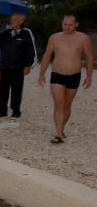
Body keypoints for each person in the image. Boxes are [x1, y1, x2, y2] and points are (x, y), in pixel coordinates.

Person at [38, 14, 94, 143]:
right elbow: (47, 55)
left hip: (74, 75)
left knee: (67, 105)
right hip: (57, 74)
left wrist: (89, 76)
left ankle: (61, 128)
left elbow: (89, 57)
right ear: (62, 23)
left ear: (76, 25)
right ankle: (58, 134)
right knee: (59, 104)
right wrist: (41, 74)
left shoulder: (83, 38)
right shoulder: (54, 37)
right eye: (65, 24)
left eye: (70, 25)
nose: (67, 27)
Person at [0, 13, 36, 118]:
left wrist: (28, 65)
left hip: (18, 67)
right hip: (4, 66)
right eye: (11, 19)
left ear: (21, 21)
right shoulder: (6, 33)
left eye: (15, 19)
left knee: (16, 90)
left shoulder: (26, 33)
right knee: (2, 89)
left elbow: (31, 50)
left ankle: (16, 110)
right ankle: (1, 110)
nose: (12, 21)